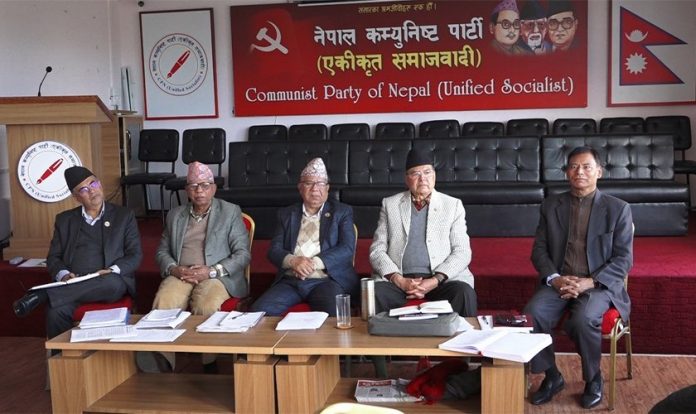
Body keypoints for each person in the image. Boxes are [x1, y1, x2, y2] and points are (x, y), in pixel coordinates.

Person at [524, 146, 633, 409]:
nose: (579, 172)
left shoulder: (618, 209)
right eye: (573, 167)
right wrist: (554, 278)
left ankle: (593, 379)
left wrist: (589, 282)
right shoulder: (551, 205)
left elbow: (624, 259)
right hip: (560, 282)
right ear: (566, 172)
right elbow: (539, 250)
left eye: (586, 167)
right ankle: (552, 375)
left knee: (583, 320)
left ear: (599, 172)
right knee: (531, 315)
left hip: (598, 285)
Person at [142, 161, 250, 373]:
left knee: (206, 303)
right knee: (164, 300)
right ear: (186, 190)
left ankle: (209, 360)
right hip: (181, 273)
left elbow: (242, 254)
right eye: (194, 186)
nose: (199, 191)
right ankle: (163, 360)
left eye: (205, 185)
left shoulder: (229, 212)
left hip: (216, 275)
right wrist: (174, 269)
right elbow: (161, 251)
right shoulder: (175, 215)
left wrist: (211, 271)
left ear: (214, 188)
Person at [12, 166, 143, 339]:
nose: (92, 191)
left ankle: (45, 295)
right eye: (84, 189)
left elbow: (135, 255)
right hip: (74, 281)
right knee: (55, 311)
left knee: (113, 284)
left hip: (107, 280)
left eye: (93, 184)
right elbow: (54, 258)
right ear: (76, 197)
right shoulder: (65, 220)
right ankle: (60, 356)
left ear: (100, 183)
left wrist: (112, 270)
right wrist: (64, 275)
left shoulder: (123, 216)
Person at [369, 148, 477, 317]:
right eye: (415, 174)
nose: (423, 178)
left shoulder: (453, 205)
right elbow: (377, 250)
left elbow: (462, 252)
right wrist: (399, 280)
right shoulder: (390, 205)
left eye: (427, 172)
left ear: (434, 175)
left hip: (441, 280)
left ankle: (461, 334)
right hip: (400, 280)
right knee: (375, 293)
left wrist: (435, 280)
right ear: (407, 179)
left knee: (463, 293)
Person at [251, 158, 358, 315]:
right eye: (309, 183)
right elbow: (274, 250)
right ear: (300, 188)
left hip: (326, 281)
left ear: (327, 188)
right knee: (258, 312)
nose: (315, 189)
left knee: (335, 314)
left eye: (320, 183)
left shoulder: (342, 212)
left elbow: (347, 248)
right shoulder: (286, 214)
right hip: (291, 281)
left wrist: (313, 264)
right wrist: (293, 261)